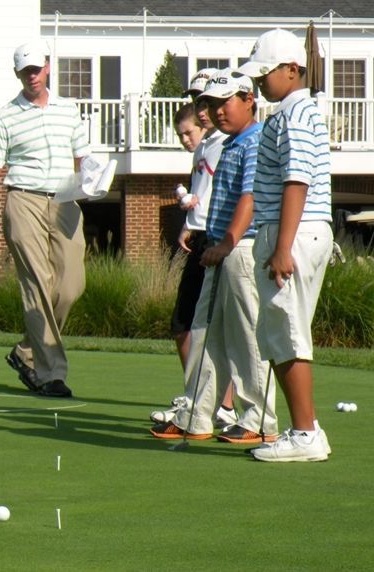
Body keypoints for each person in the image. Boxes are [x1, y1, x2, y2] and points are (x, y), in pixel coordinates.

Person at [151, 68, 277, 443]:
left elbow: (249, 198)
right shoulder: (232, 142)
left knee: (244, 335)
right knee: (205, 331)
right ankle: (196, 414)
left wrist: (227, 242)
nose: (218, 111)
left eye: (225, 103)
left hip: (240, 247)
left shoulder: (254, 141)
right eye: (213, 104)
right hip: (219, 249)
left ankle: (260, 420)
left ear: (248, 101)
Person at [238, 29, 333, 462]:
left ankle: (304, 432)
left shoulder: (295, 114)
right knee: (280, 330)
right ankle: (306, 428)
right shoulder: (289, 113)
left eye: (265, 74)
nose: (259, 84)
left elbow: (297, 180)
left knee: (287, 332)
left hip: (292, 231)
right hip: (293, 230)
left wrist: (281, 247)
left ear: (292, 71)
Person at [0, 39, 89, 398]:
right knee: (38, 285)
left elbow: (81, 159)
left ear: (47, 67)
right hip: (23, 200)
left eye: (37, 68)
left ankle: (27, 350)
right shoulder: (5, 116)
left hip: (65, 201)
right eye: (25, 70)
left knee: (72, 286)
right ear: (17, 74)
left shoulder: (69, 110)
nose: (32, 76)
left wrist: (90, 183)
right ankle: (50, 373)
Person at [150, 70, 237, 429]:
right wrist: (188, 222)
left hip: (221, 241)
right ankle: (197, 395)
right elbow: (202, 192)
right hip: (201, 237)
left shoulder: (231, 143)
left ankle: (224, 405)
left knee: (219, 329)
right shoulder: (205, 146)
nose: (202, 111)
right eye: (198, 102)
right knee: (184, 325)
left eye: (208, 102)